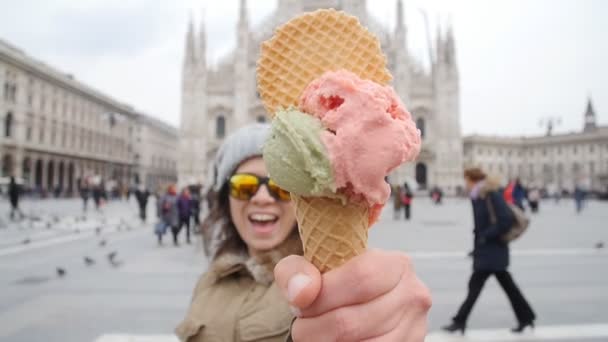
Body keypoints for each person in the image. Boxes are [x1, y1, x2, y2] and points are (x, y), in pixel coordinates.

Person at [175, 124, 431, 341]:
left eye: (281, 185)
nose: (262, 198)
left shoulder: (324, 282)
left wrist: (382, 313)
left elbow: (362, 310)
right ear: (224, 197)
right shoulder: (211, 279)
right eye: (244, 186)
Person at [442, 168, 535, 335]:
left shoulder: (490, 195)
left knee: (476, 288)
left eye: (467, 180)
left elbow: (505, 219)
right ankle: (526, 318)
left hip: (493, 250)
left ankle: (459, 321)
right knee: (507, 287)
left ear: (473, 180)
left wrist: (485, 237)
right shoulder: (479, 196)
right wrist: (479, 244)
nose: (465, 184)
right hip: (488, 251)